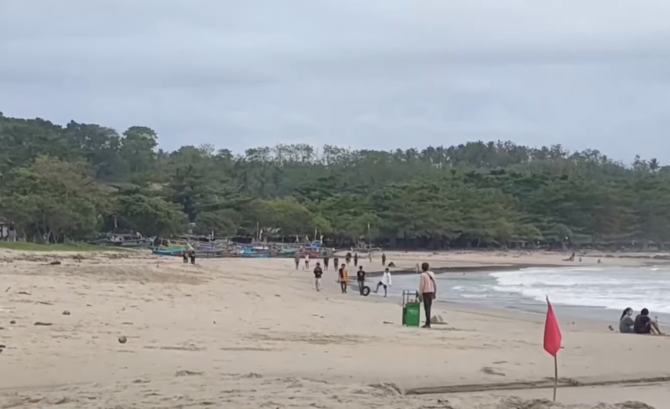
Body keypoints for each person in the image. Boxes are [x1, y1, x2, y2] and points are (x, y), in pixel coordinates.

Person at [418, 262, 436, 328]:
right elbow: (434, 283)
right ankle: (428, 322)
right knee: (429, 307)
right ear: (428, 267)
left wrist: (420, 294)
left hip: (425, 292)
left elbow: (421, 285)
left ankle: (428, 323)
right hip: (431, 291)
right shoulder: (432, 274)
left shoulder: (422, 275)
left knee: (427, 308)